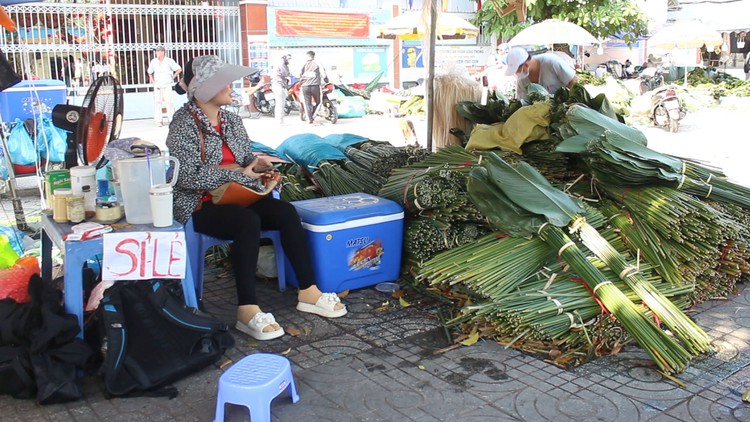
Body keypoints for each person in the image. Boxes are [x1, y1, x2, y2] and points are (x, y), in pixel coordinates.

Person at [166, 55, 347, 341]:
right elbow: (187, 177)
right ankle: (247, 309)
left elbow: (246, 159)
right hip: (201, 204)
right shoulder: (182, 125)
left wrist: (262, 168)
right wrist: (241, 174)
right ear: (205, 89)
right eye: (223, 82)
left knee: (286, 212)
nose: (230, 87)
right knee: (246, 222)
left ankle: (308, 291)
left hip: (239, 196)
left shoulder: (232, 120)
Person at [504, 47, 578, 101]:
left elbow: (573, 81)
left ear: (525, 65)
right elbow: (524, 103)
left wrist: (571, 102)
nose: (517, 74)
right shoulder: (522, 81)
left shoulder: (551, 62)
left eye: (517, 70)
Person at [148, 46, 182, 126]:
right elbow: (150, 71)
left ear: (162, 52)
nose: (157, 53)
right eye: (156, 51)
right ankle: (158, 120)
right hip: (157, 85)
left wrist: (172, 77)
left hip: (166, 84)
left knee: (169, 102)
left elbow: (179, 69)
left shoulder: (169, 61)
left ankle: (171, 120)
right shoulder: (153, 61)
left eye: (158, 51)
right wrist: (152, 80)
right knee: (157, 102)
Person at [299, 50, 327, 125]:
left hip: (305, 86)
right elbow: (323, 74)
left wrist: (301, 79)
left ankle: (309, 119)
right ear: (313, 56)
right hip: (315, 86)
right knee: (319, 102)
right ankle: (313, 116)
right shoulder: (317, 63)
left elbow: (297, 74)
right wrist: (325, 79)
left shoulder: (302, 63)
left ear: (307, 56)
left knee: (306, 103)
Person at [271, 54, 291, 124]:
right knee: (280, 103)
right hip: (278, 85)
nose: (289, 60)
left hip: (278, 85)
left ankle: (279, 120)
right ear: (284, 58)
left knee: (280, 103)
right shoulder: (281, 64)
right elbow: (286, 74)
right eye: (288, 59)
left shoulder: (279, 64)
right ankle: (279, 121)